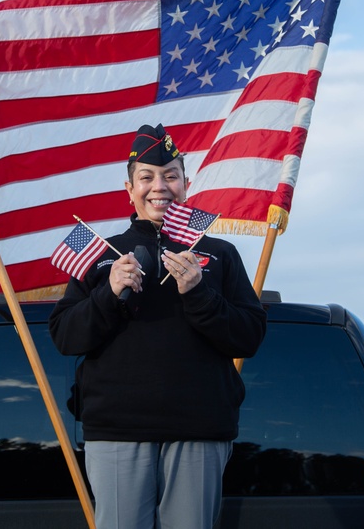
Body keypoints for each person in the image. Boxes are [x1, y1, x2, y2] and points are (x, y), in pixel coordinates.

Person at [49, 123, 267, 529]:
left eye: (170, 176)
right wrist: (109, 293)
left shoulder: (218, 254)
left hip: (199, 430)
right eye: (146, 177)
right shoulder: (101, 257)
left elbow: (249, 335)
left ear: (186, 183)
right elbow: (64, 336)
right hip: (116, 431)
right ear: (129, 189)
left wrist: (199, 294)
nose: (159, 187)